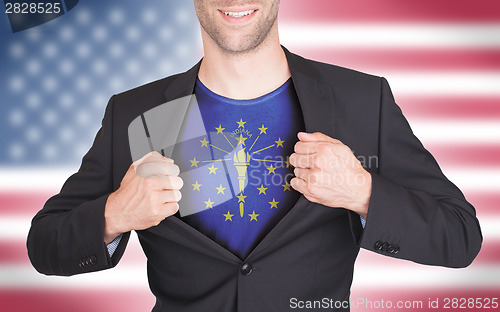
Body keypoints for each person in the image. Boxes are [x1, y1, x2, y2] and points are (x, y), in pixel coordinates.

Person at [27, 1, 482, 311]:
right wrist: (114, 214)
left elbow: (460, 236)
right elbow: (45, 245)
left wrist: (363, 191)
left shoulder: (362, 100)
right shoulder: (136, 113)